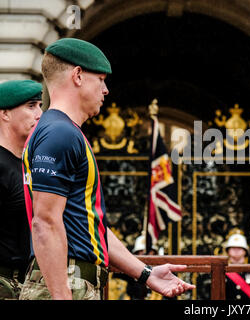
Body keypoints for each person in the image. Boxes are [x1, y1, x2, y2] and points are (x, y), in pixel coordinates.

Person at [19, 38, 195, 300]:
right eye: (100, 78)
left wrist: (146, 273)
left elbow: (90, 227)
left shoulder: (61, 131)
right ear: (78, 76)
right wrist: (61, 294)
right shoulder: (60, 132)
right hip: (65, 282)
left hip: (71, 280)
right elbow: (45, 223)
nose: (106, 90)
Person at [0, 80, 43, 299]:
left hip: (25, 283)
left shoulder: (28, 164)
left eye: (40, 105)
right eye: (31, 106)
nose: (39, 113)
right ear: (5, 113)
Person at [224, 231, 250, 300]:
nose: (236, 251)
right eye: (233, 248)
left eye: (239, 248)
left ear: (245, 251)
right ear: (228, 251)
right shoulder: (222, 272)